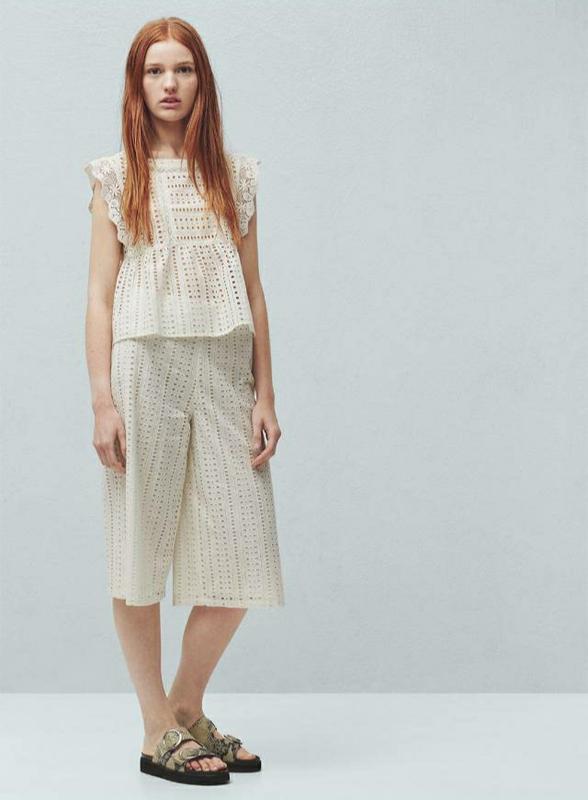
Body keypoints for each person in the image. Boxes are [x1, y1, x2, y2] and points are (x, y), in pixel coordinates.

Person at [83, 16, 285, 786]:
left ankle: (183, 708)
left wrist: (266, 393)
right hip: (145, 366)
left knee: (242, 548)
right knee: (139, 545)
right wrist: (102, 401)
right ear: (137, 86)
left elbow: (254, 291)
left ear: (203, 80)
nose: (170, 84)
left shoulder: (234, 177)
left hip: (224, 370)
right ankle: (154, 729)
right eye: (155, 71)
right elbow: (100, 297)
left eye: (183, 69)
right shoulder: (117, 177)